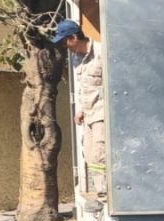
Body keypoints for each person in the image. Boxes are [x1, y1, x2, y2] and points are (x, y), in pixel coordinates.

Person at [53, 20, 107, 198]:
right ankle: (101, 192)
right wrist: (81, 110)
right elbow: (84, 87)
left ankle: (106, 193)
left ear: (74, 37)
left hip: (103, 114)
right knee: (90, 155)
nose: (64, 46)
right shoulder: (76, 58)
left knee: (100, 155)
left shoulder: (101, 52)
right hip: (89, 113)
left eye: (65, 41)